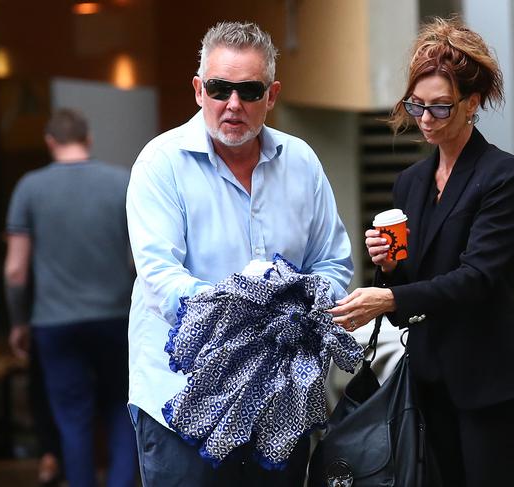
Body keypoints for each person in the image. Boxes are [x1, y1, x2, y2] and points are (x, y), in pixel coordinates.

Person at [125, 21, 352, 487]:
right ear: (198, 90)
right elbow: (161, 279)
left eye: (249, 90)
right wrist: (256, 310)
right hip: (184, 404)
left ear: (271, 96)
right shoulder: (160, 163)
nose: (233, 104)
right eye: (219, 88)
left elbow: (333, 263)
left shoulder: (302, 161)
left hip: (279, 406)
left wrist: (303, 304)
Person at [328, 17, 514, 487]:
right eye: (417, 106)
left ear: (472, 104)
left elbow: (479, 278)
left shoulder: (503, 176)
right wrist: (387, 269)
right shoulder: (409, 183)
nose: (425, 119)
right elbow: (406, 299)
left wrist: (388, 298)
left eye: (440, 108)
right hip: (428, 381)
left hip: (490, 379)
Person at [5, 108, 138, 487]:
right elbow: (140, 259)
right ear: (88, 138)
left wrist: (18, 322)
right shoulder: (121, 183)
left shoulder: (29, 188)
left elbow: (15, 270)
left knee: (72, 419)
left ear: (50, 142)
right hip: (116, 318)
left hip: (54, 323)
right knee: (120, 410)